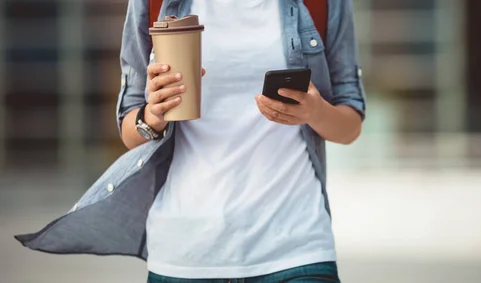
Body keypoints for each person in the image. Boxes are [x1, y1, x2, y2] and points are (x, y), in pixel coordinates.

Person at [15, 0, 366, 282]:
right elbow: (130, 128)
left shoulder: (322, 4)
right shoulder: (156, 3)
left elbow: (350, 126)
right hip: (186, 255)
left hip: (297, 248)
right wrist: (154, 115)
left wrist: (315, 111)